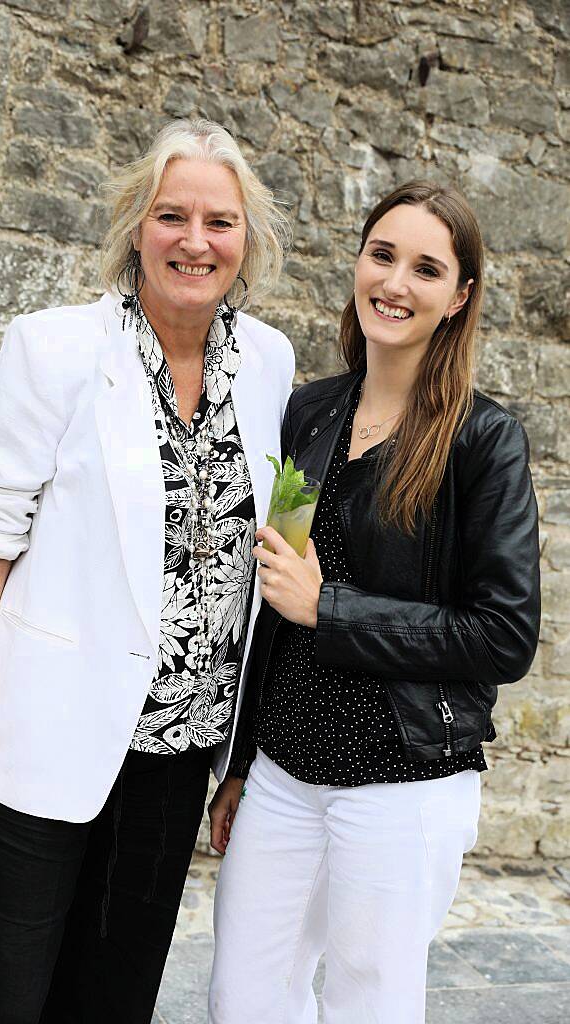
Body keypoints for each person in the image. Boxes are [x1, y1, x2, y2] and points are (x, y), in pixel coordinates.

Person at [0, 118, 294, 1024]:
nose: (194, 241)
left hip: (176, 758)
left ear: (247, 241)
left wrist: (243, 751)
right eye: (172, 215)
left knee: (113, 1001)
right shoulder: (53, 347)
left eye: (220, 221)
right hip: (41, 742)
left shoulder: (272, 366)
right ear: (137, 225)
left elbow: (278, 545)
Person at [208, 181, 540, 1024]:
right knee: (242, 999)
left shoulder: (480, 439)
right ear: (357, 262)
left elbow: (503, 635)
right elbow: (270, 609)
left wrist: (336, 609)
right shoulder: (310, 413)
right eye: (382, 255)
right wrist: (241, 764)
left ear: (458, 297)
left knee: (369, 1005)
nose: (394, 283)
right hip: (283, 770)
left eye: (426, 268)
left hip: (403, 780)